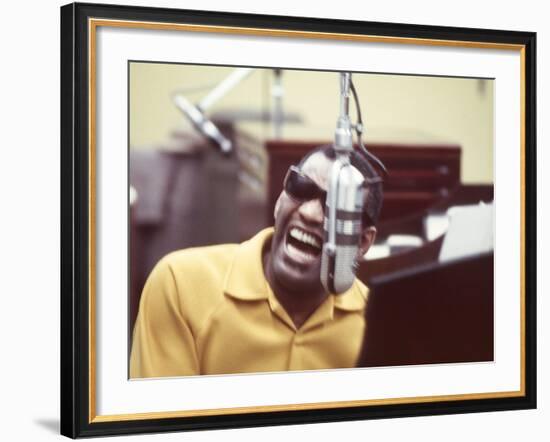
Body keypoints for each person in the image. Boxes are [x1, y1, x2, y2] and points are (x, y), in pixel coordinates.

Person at [130, 145, 383, 377]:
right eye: (301, 187)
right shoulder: (179, 284)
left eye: (336, 207)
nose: (309, 213)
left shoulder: (376, 324)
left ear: (362, 243)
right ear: (279, 200)